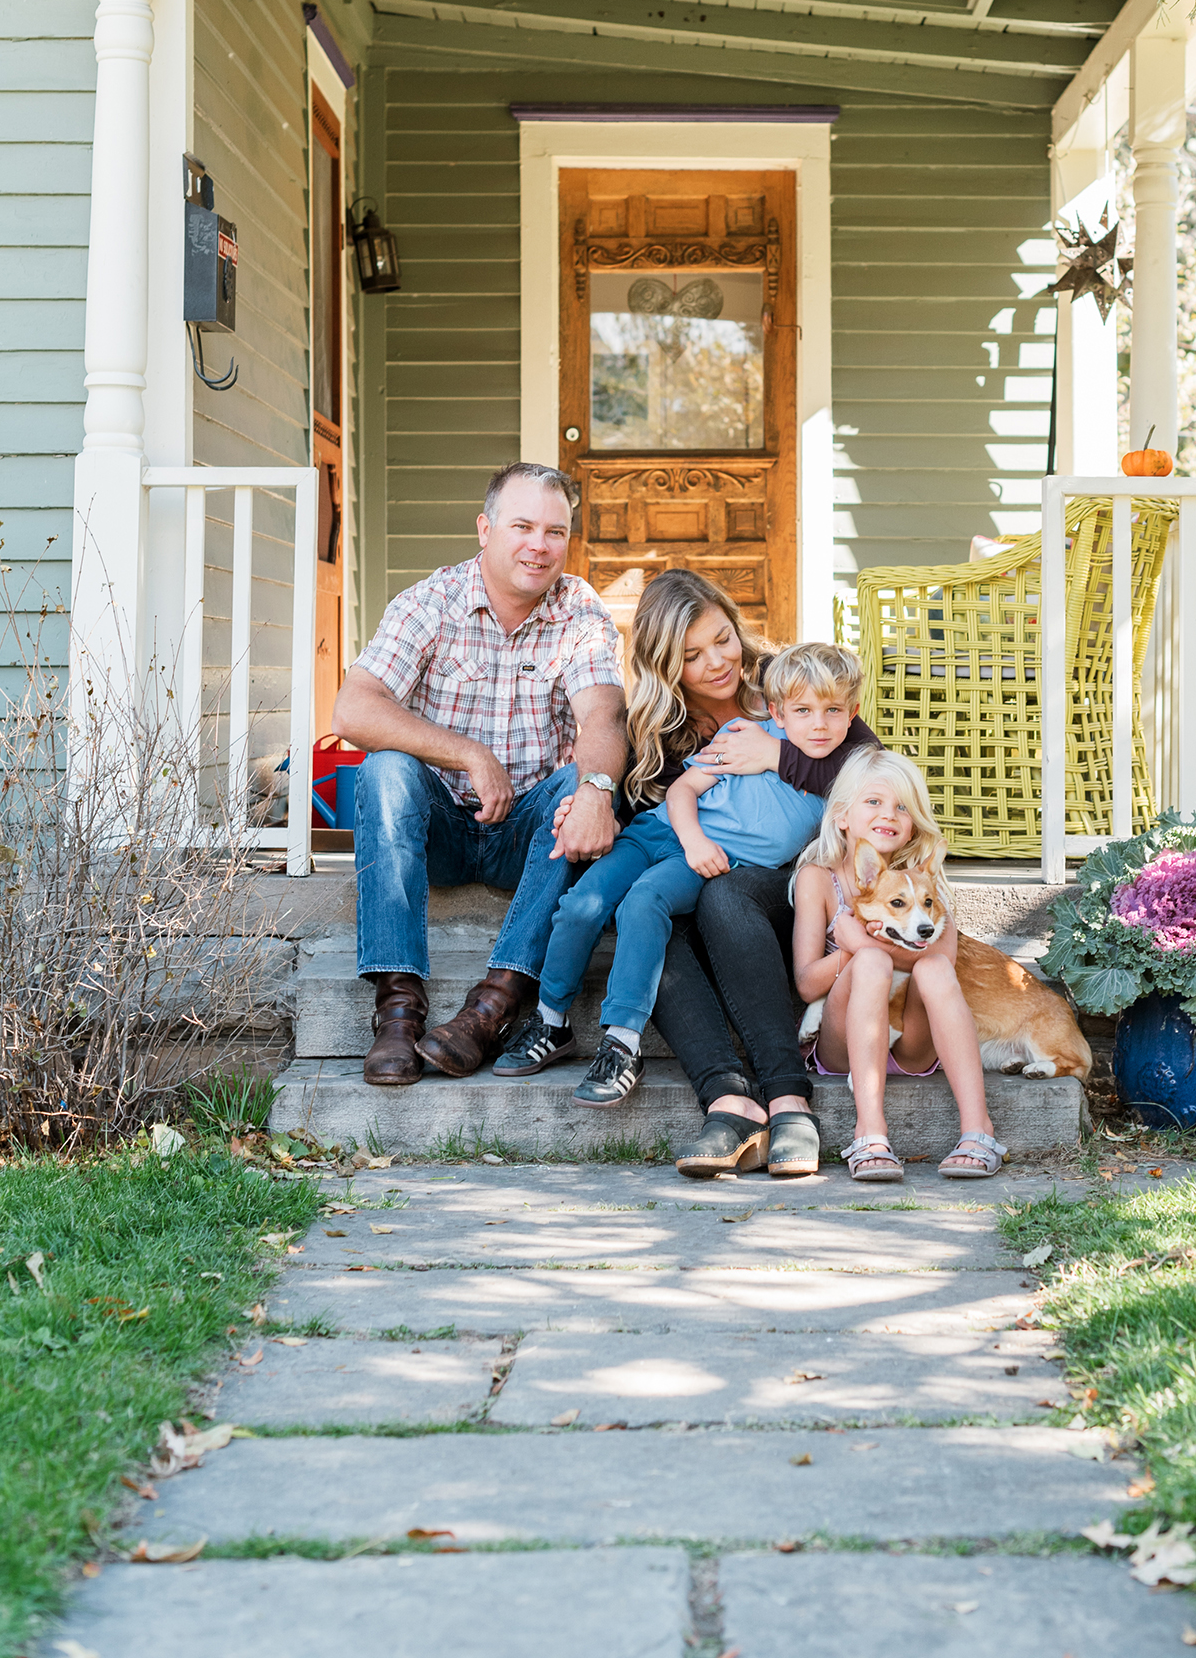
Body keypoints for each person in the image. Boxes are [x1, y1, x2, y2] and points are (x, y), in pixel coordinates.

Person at [544, 568, 881, 1180]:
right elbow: (644, 807)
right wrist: (590, 799)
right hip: (690, 871)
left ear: (737, 623)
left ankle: (787, 1098)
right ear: (666, 665)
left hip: (774, 892)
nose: (717, 662)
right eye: (692, 655)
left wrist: (779, 753)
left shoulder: (792, 686)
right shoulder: (657, 727)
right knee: (646, 913)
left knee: (722, 896)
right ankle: (728, 1100)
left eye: (723, 638)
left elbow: (872, 776)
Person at [331, 462, 627, 1087]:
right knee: (383, 770)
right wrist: (467, 752)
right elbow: (354, 709)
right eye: (522, 526)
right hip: (441, 827)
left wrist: (597, 790)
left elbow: (602, 717)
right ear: (485, 529)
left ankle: (493, 1005)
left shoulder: (579, 611)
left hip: (530, 833)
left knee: (581, 784)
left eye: (555, 531)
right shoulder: (430, 602)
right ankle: (398, 1011)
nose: (539, 545)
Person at [497, 642, 859, 1110]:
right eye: (803, 710)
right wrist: (693, 840)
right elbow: (683, 789)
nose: (819, 724)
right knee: (581, 905)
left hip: (704, 865)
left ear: (851, 714)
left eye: (832, 711)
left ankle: (622, 1044)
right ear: (778, 711)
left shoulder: (845, 779)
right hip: (665, 834)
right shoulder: (743, 734)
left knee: (645, 901)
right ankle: (551, 1019)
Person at [792, 748, 1007, 1182]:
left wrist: (865, 938)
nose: (888, 814)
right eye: (873, 801)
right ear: (841, 815)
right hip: (843, 1046)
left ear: (914, 823)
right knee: (870, 962)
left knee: (931, 969)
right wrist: (853, 949)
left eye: (902, 806)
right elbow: (805, 984)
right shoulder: (820, 879)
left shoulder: (921, 881)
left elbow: (942, 960)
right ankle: (869, 1131)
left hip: (912, 1043)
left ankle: (977, 1129)